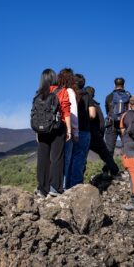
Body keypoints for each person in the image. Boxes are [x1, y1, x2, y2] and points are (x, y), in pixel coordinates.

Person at [35, 68, 72, 197]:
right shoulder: (62, 91)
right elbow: (66, 111)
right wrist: (69, 130)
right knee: (57, 157)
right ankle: (55, 188)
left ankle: (42, 189)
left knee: (42, 158)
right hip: (57, 127)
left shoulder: (39, 93)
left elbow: (36, 114)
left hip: (42, 129)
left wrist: (37, 131)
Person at [85, 86, 120, 177]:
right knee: (106, 155)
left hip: (83, 134)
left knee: (81, 157)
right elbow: (102, 123)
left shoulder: (81, 104)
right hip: (95, 135)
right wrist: (101, 135)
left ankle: (78, 179)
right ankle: (114, 171)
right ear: (93, 95)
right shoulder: (95, 105)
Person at [69, 74, 95, 188]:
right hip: (84, 130)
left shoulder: (70, 94)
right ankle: (76, 185)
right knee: (79, 157)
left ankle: (66, 184)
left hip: (70, 129)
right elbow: (93, 115)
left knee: (68, 157)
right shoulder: (87, 95)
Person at [58, 68, 79, 189]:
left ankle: (54, 186)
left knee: (57, 160)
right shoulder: (69, 91)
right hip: (66, 130)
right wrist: (74, 132)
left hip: (55, 130)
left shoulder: (55, 91)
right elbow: (73, 114)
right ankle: (64, 188)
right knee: (66, 161)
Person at [104, 78, 131, 173]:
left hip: (112, 124)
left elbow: (107, 111)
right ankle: (128, 170)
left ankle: (106, 171)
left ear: (114, 84)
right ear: (124, 84)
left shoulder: (109, 97)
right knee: (127, 147)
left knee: (109, 148)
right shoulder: (128, 96)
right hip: (125, 125)